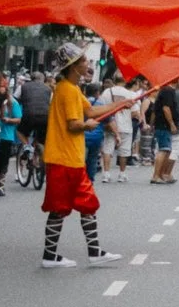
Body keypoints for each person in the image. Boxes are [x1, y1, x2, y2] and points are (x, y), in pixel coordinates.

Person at [39, 54, 133, 268]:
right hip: (65, 158)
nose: (87, 65)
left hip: (67, 158)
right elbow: (74, 124)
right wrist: (87, 126)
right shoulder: (69, 91)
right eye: (83, 61)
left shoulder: (69, 88)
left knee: (72, 206)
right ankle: (78, 253)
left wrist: (120, 105)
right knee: (74, 206)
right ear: (72, 66)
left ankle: (61, 254)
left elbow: (90, 110)